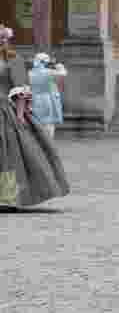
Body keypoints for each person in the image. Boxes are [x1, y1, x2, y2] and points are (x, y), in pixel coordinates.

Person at [0, 24, 70, 208]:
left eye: (3, 38)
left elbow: (21, 89)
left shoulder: (13, 60)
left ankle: (7, 196)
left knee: (8, 155)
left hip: (5, 112)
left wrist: (20, 114)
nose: (2, 41)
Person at [28, 53, 64, 139]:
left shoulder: (30, 73)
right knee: (48, 123)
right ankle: (48, 142)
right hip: (46, 99)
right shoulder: (48, 72)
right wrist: (58, 65)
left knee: (36, 122)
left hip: (34, 99)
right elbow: (63, 73)